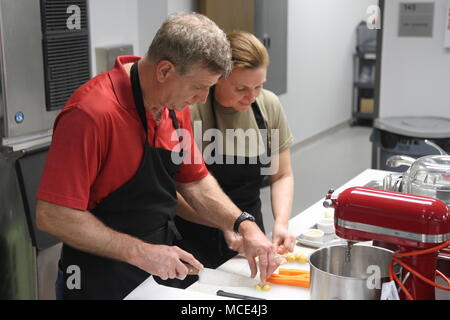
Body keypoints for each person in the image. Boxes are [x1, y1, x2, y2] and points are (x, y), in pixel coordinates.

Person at [36, 14, 282, 300]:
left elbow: (195, 183)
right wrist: (141, 252)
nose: (203, 99)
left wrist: (244, 225)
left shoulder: (175, 107)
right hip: (98, 280)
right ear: (165, 71)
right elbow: (53, 215)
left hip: (155, 275)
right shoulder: (91, 115)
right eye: (199, 87)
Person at [175, 31, 296, 271]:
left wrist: (281, 224)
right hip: (193, 236)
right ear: (217, 78)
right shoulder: (190, 111)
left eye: (259, 86)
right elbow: (175, 193)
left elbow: (281, 175)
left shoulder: (267, 106)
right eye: (241, 88)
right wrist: (227, 224)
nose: (251, 97)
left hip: (250, 235)